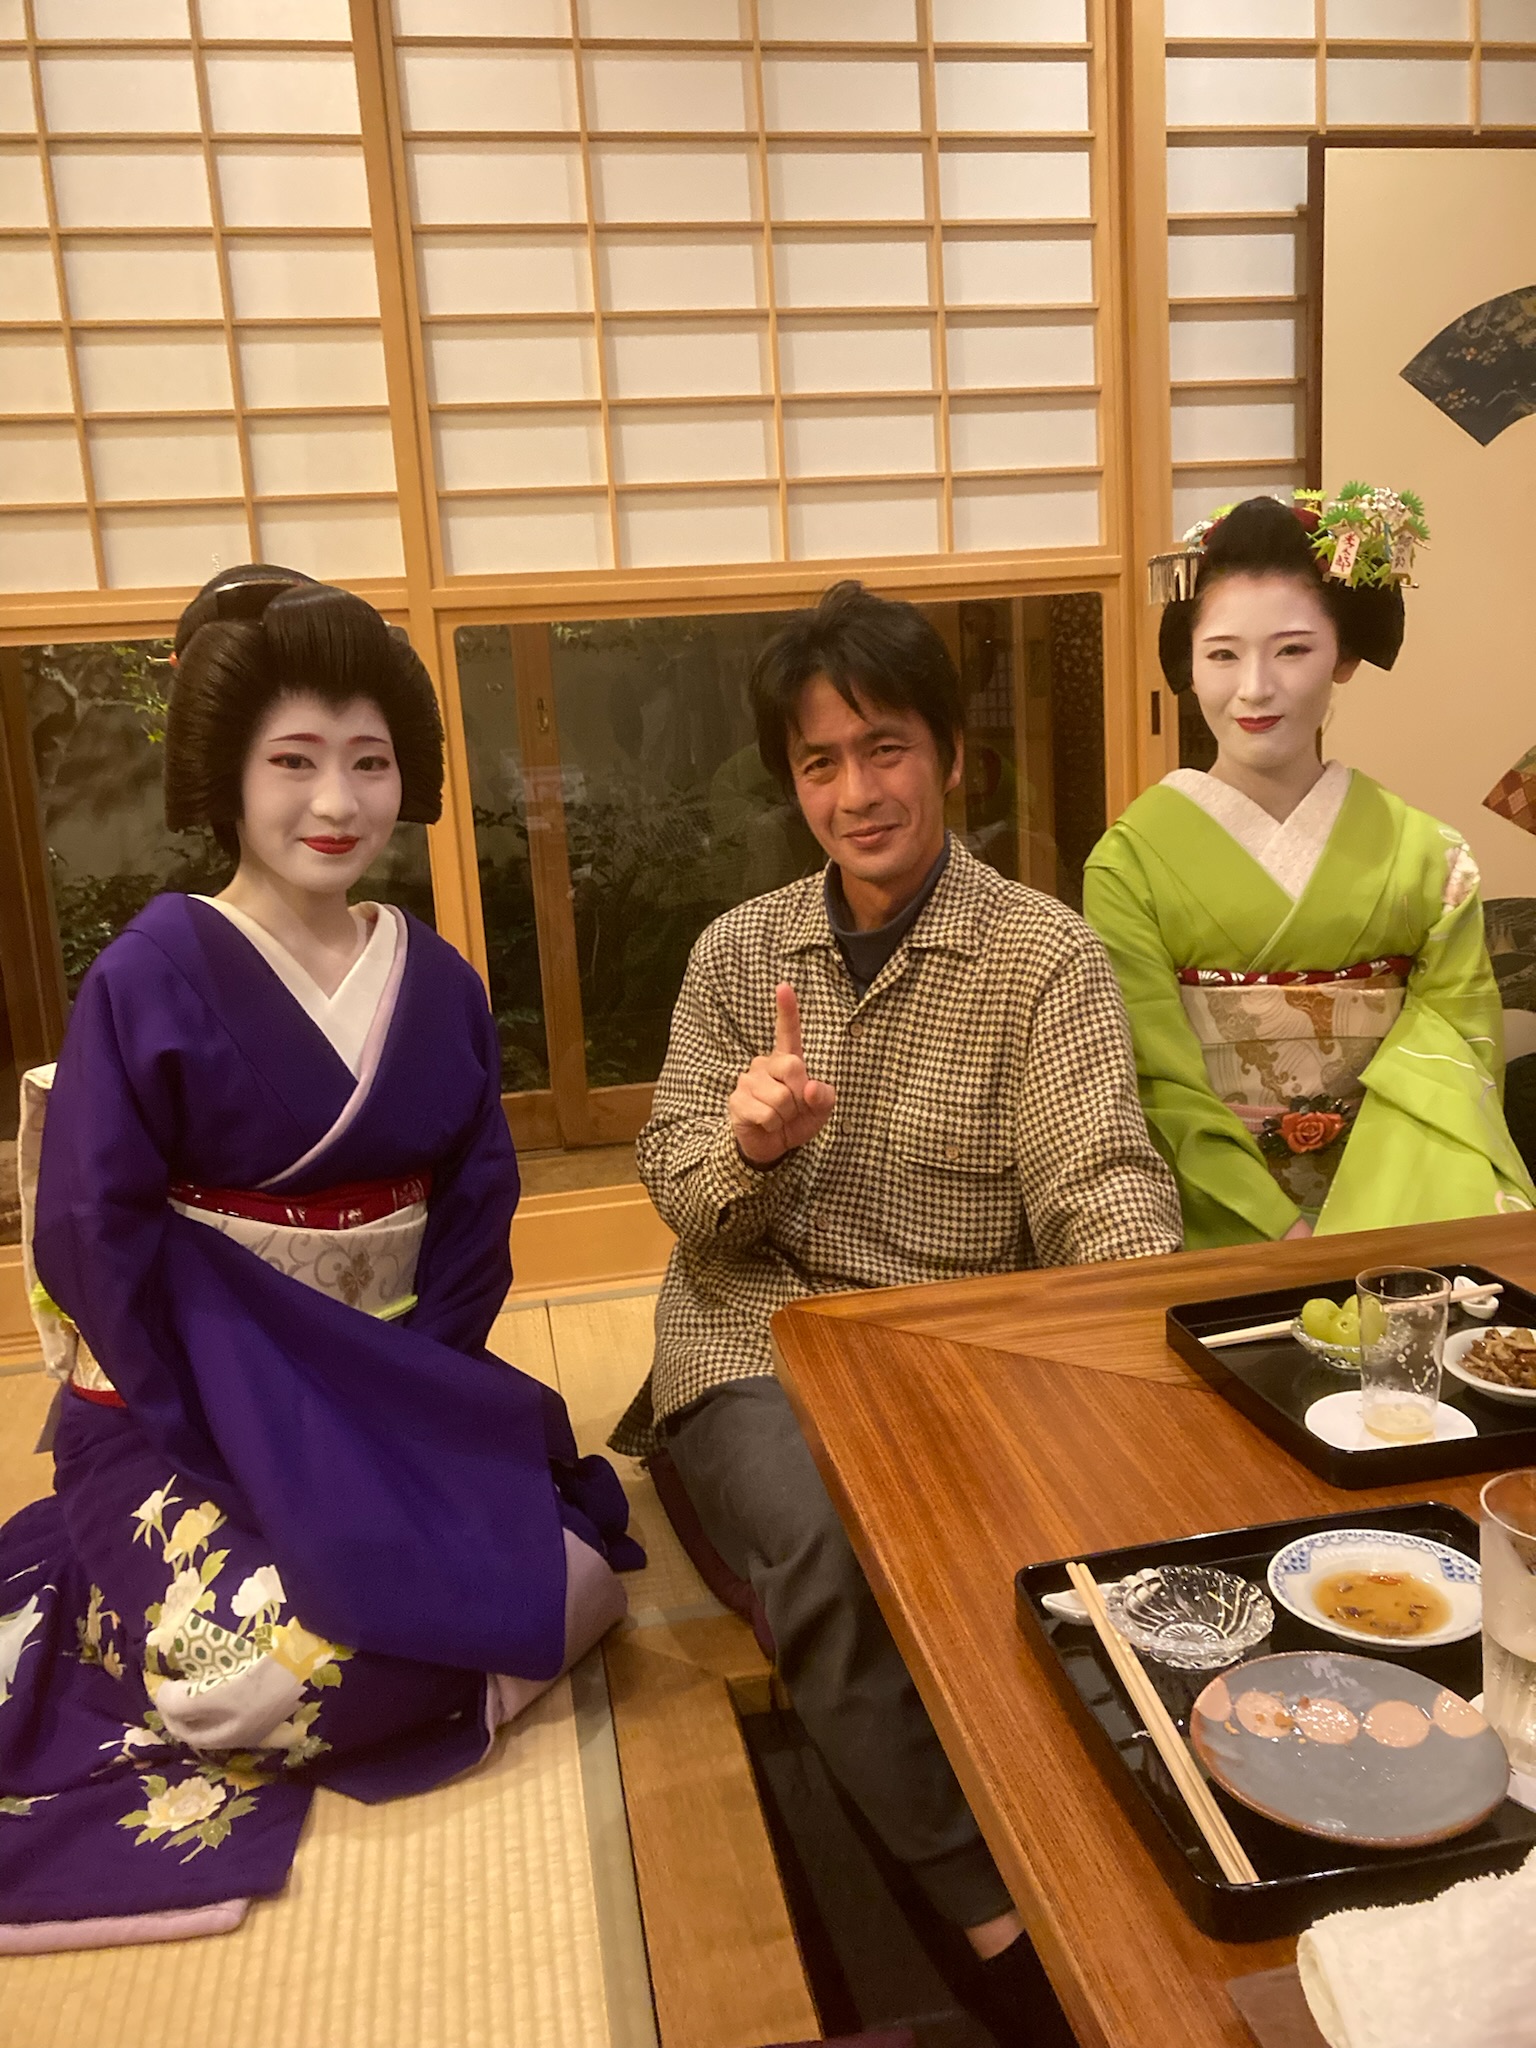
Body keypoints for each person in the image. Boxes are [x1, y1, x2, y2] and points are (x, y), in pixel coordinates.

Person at [0, 566, 639, 1951]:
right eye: (293, 760)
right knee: (256, 1679)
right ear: (228, 777)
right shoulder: (149, 974)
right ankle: (131, 1592)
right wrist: (236, 1439)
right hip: (183, 1421)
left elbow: (472, 1211)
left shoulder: (439, 982)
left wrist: (404, 1404)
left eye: (369, 759)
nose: (336, 800)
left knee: (581, 1578)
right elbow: (94, 1234)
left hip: (389, 1398)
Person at [610, 580, 1180, 2036]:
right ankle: (998, 1925)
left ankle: (1147, 1853)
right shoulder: (740, 954)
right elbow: (682, 1194)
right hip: (755, 1332)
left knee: (1080, 1546)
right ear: (790, 781)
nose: (857, 793)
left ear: (949, 755)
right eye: (821, 762)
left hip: (950, 1350)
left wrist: (1133, 1323)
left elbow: (1099, 1176)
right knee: (829, 1540)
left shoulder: (1042, 955)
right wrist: (748, 1146)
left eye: (885, 749)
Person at [1084, 488, 1535, 1248]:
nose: (1255, 687)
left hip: (1400, 1215)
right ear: (1188, 665)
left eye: (1292, 650)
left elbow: (1457, 1054)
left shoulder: (1430, 857)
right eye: (1222, 654)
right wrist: (1279, 1233)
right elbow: (1151, 1081)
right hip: (1210, 1221)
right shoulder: (1128, 865)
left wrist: (1364, 1235)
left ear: (1346, 656)